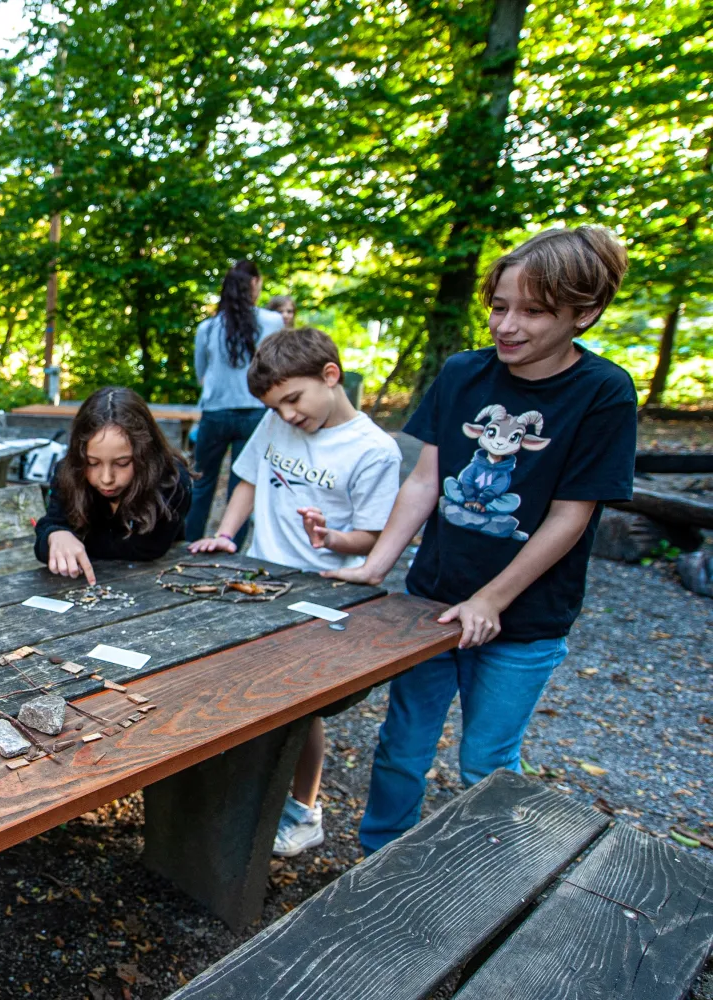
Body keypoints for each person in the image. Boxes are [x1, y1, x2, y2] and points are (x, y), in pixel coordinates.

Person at [325, 226, 635, 853]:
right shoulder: (464, 373)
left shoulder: (604, 392)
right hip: (430, 604)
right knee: (401, 749)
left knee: (487, 767)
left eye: (533, 311)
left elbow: (569, 517)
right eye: (499, 307)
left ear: (585, 313)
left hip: (525, 620)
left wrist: (491, 600)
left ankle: (490, 886)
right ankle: (378, 858)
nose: (507, 325)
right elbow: (424, 480)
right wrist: (375, 565)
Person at [189, 327, 401, 856]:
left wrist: (331, 537)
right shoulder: (274, 422)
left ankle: (303, 809)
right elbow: (248, 480)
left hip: (324, 589)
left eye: (293, 400)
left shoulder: (375, 450)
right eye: (275, 405)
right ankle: (234, 783)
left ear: (330, 376)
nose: (286, 415)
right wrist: (225, 533)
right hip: (260, 576)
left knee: (298, 704)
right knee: (234, 676)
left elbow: (373, 537)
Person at [36, 386, 192, 585]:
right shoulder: (69, 473)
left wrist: (75, 539)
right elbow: (46, 535)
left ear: (146, 454)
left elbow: (148, 548)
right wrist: (55, 535)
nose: (107, 478)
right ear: (79, 456)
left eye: (122, 463)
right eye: (92, 463)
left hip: (157, 583)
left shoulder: (172, 480)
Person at [186, 259, 286, 543]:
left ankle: (186, 542)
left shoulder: (208, 327)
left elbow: (201, 374)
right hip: (256, 414)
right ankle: (229, 543)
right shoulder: (272, 322)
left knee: (202, 481)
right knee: (242, 482)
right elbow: (280, 368)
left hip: (216, 413)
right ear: (254, 283)